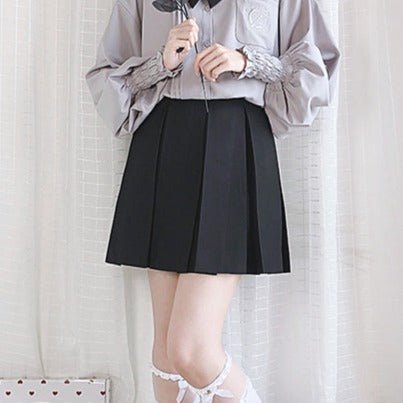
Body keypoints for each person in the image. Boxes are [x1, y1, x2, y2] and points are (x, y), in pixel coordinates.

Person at [85, 0, 340, 401]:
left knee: (190, 349)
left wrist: (248, 61)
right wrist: (161, 62)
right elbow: (107, 77)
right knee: (166, 355)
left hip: (233, 143)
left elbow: (316, 74)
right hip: (161, 141)